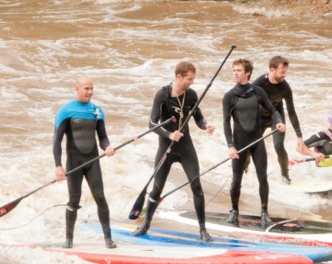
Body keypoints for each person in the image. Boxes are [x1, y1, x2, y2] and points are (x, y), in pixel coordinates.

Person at [132, 61, 216, 241]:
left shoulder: (192, 95)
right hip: (166, 147)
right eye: (189, 79)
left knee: (196, 186)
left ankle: (203, 231)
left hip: (186, 147)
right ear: (179, 77)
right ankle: (145, 225)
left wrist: (206, 125)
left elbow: (199, 119)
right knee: (157, 188)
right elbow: (152, 124)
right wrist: (169, 135)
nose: (192, 82)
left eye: (193, 79)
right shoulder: (162, 95)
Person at [54, 77, 117, 248]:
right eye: (86, 88)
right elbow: (57, 141)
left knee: (100, 197)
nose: (90, 92)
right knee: (74, 200)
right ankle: (69, 239)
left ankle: (108, 238)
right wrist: (58, 165)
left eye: (92, 89)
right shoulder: (65, 111)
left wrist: (107, 148)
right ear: (77, 89)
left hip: (92, 162)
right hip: (74, 163)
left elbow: (102, 137)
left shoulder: (97, 111)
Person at [222, 58, 286, 228]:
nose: (235, 73)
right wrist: (230, 146)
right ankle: (234, 211)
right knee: (236, 179)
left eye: (239, 70)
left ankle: (264, 212)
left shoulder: (257, 91)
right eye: (234, 70)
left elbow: (273, 111)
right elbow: (226, 123)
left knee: (262, 176)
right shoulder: (229, 96)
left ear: (247, 72)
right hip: (239, 143)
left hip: (257, 141)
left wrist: (278, 121)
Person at [252, 55, 315, 183]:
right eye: (282, 72)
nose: (284, 75)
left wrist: (299, 136)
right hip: (258, 117)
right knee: (251, 147)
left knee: (278, 145)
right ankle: (245, 170)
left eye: (285, 72)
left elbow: (291, 112)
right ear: (272, 70)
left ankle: (285, 175)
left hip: (276, 118)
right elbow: (246, 102)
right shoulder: (259, 83)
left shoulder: (285, 88)